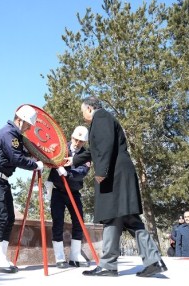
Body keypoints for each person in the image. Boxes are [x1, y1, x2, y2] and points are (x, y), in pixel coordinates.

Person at [64, 96, 167, 278]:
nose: (83, 115)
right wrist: (73, 160)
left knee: (112, 216)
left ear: (89, 108)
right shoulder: (104, 120)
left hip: (114, 176)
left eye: (82, 111)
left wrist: (101, 172)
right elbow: (94, 150)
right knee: (128, 218)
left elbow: (104, 147)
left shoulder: (101, 118)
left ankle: (108, 266)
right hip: (120, 175)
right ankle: (153, 260)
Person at [0, 105, 44, 274]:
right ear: (19, 120)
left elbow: (22, 153)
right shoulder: (8, 133)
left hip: (3, 179)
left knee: (9, 218)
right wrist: (35, 165)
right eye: (28, 124)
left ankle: (1, 257)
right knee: (1, 217)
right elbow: (16, 158)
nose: (29, 127)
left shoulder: (16, 136)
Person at [45, 126, 90, 268]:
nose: (77, 143)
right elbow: (47, 156)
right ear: (71, 137)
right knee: (57, 221)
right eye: (76, 139)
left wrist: (69, 174)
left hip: (73, 191)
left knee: (79, 221)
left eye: (81, 141)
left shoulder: (85, 154)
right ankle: (59, 257)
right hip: (58, 191)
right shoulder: (60, 148)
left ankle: (75, 255)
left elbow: (83, 171)